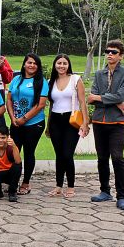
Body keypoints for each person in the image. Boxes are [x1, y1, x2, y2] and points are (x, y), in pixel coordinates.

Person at [87, 40, 124, 211]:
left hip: (117, 122)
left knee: (117, 158)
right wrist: (117, 101)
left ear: (121, 56)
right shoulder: (99, 74)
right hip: (99, 121)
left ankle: (122, 196)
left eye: (114, 52)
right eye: (107, 51)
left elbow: (120, 94)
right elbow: (91, 97)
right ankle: (104, 191)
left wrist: (110, 99)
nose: (109, 54)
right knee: (102, 158)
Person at [47, 54, 89, 198]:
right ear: (55, 65)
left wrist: (85, 123)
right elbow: (51, 105)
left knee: (67, 154)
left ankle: (70, 186)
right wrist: (48, 125)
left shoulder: (76, 79)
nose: (61, 66)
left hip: (71, 120)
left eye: (64, 63)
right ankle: (58, 186)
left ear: (68, 65)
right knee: (59, 155)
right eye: (59, 63)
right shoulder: (51, 81)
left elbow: (83, 102)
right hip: (55, 121)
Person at [6, 54, 48, 195]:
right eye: (29, 62)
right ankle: (13, 181)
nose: (32, 65)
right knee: (13, 152)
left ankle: (26, 183)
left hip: (34, 124)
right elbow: (9, 99)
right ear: (24, 64)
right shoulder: (16, 79)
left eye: (35, 63)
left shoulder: (41, 81)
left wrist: (24, 119)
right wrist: (13, 118)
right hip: (16, 123)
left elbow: (41, 104)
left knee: (29, 153)